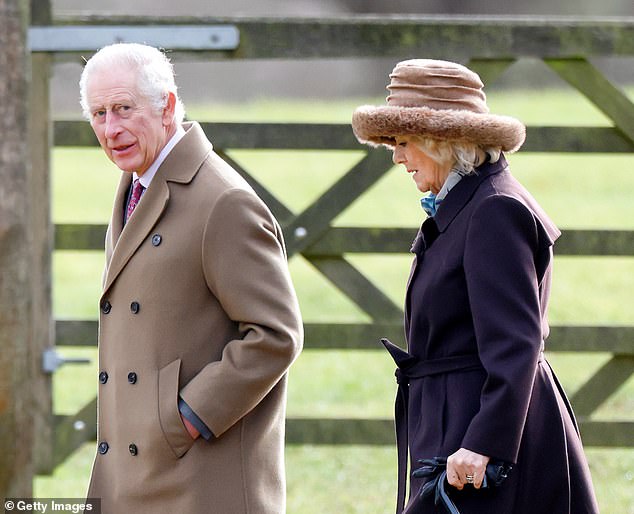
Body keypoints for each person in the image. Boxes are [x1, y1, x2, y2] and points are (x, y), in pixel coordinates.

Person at [352, 59, 599, 514]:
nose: (397, 156)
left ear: (441, 140)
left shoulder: (493, 210)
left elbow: (517, 342)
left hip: (480, 440)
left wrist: (485, 443)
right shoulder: (467, 203)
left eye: (404, 141)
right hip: (459, 422)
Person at [79, 43, 303, 514]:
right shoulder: (136, 185)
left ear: (168, 107)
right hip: (137, 474)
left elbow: (276, 335)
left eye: (123, 108)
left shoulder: (223, 202)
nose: (111, 128)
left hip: (198, 481)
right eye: (98, 113)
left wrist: (188, 416)